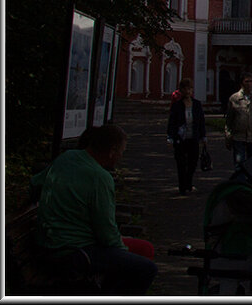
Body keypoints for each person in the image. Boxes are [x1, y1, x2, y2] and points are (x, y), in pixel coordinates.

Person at [32, 124, 158, 295]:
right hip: (74, 252)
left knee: (140, 252)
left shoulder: (67, 158)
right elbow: (106, 231)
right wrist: (121, 250)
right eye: (122, 151)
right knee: (146, 269)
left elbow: (35, 184)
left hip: (52, 244)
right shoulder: (100, 177)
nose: (121, 156)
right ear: (112, 150)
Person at [167, 78, 207, 194]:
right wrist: (170, 137)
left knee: (193, 162)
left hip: (193, 138)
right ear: (181, 90)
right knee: (181, 163)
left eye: (189, 88)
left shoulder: (197, 105)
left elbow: (201, 122)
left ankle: (188, 182)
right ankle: (183, 186)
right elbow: (172, 122)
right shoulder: (177, 106)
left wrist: (203, 136)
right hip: (181, 139)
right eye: (185, 88)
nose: (187, 91)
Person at [225, 72, 252, 168]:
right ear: (242, 83)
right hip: (239, 136)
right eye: (246, 81)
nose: (249, 84)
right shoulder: (234, 98)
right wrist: (228, 135)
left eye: (251, 81)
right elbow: (229, 119)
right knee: (239, 164)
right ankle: (241, 182)